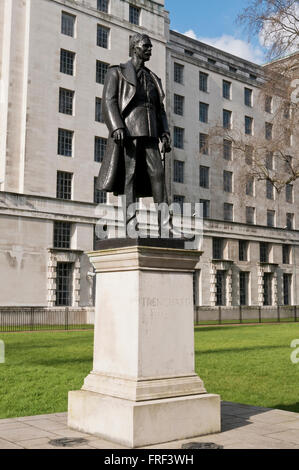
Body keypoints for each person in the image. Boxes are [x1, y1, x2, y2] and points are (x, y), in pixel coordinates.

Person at [96, 33, 172, 236]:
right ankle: (131, 224)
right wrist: (116, 127)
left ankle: (165, 225)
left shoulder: (153, 78)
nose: (149, 50)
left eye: (150, 47)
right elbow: (108, 101)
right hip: (129, 132)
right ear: (134, 47)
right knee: (129, 177)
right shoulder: (117, 72)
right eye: (145, 46)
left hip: (151, 133)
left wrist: (164, 132)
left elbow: (160, 109)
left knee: (158, 176)